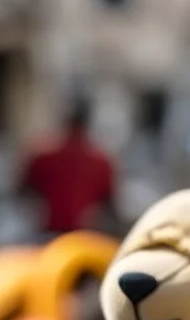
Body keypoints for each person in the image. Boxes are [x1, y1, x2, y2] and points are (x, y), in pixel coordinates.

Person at [18, 98, 121, 237]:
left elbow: (22, 190)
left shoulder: (44, 156)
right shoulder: (100, 161)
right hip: (83, 236)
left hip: (48, 233)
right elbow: (110, 204)